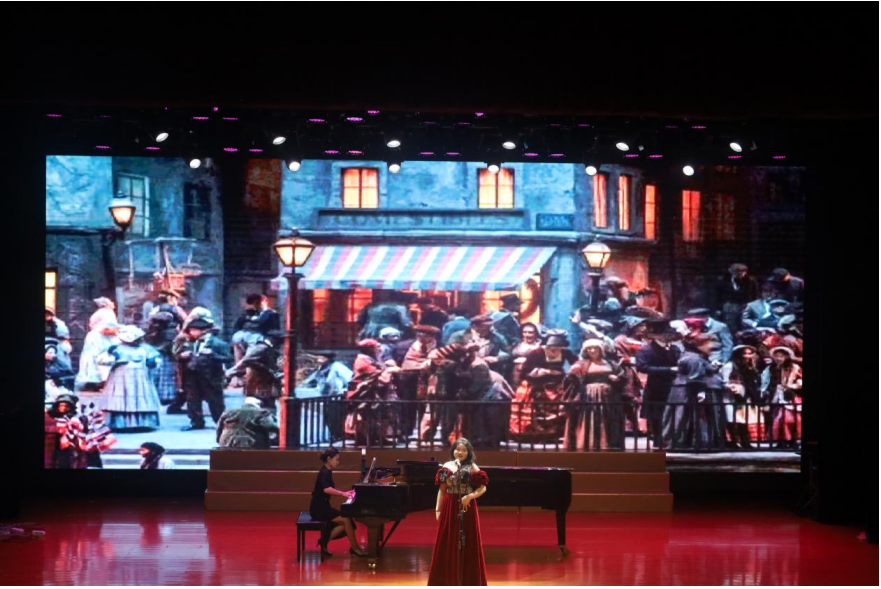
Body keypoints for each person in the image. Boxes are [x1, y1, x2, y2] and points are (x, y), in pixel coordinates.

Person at [427, 439, 489, 586]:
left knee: (468, 542)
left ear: (468, 452)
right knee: (448, 541)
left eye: (464, 450)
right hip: (450, 506)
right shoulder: (447, 466)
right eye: (457, 449)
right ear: (453, 451)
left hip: (466, 507)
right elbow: (442, 490)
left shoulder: (472, 466)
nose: (460, 452)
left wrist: (470, 497)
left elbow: (483, 487)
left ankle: (467, 582)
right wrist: (438, 509)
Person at [662, 334, 727, 450]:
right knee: (682, 416)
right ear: (700, 345)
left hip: (683, 389)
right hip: (686, 391)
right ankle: (681, 442)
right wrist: (700, 392)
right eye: (709, 344)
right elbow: (695, 378)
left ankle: (685, 441)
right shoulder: (694, 358)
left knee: (685, 416)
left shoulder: (694, 356)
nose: (712, 347)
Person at [509, 331, 578, 440]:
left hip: (558, 383)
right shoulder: (536, 353)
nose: (553, 350)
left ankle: (556, 433)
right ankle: (538, 434)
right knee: (538, 407)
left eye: (557, 348)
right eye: (550, 347)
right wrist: (541, 372)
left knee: (561, 405)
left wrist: (573, 371)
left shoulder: (566, 352)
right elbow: (524, 373)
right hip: (537, 384)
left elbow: (576, 363)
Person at [561, 339, 624, 450]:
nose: (592, 350)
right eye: (589, 348)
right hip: (588, 397)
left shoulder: (611, 363)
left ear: (601, 350)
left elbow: (623, 377)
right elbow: (570, 381)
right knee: (589, 419)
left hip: (608, 398)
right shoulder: (581, 364)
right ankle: (587, 444)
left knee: (607, 420)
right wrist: (572, 373)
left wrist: (617, 378)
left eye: (595, 348)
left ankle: (607, 444)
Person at [174, 317, 232, 431]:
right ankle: (196, 421)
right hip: (192, 375)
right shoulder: (190, 343)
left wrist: (212, 354)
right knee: (192, 399)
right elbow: (178, 355)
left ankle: (220, 422)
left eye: (194, 330)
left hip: (210, 375)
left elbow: (228, 358)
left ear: (204, 330)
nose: (191, 333)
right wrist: (182, 356)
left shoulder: (217, 343)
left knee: (215, 400)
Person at [100, 325, 162, 431]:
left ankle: (142, 422)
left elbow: (155, 360)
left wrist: (152, 363)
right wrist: (111, 356)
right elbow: (103, 361)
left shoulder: (144, 349)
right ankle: (120, 423)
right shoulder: (117, 348)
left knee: (141, 398)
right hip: (121, 378)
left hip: (141, 379)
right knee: (121, 399)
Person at [310, 448, 366, 557]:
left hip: (323, 506)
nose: (338, 462)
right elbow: (326, 489)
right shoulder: (325, 473)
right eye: (336, 459)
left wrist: (345, 493)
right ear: (329, 459)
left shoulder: (327, 471)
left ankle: (324, 541)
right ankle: (355, 548)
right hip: (319, 508)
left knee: (347, 522)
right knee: (346, 520)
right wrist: (343, 494)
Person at [635, 320, 681, 448]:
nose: (668, 336)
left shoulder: (674, 349)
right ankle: (658, 440)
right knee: (657, 415)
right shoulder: (646, 350)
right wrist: (668, 370)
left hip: (673, 386)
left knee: (673, 413)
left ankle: (673, 439)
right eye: (665, 334)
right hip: (656, 387)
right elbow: (642, 367)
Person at [346, 339, 401, 445]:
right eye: (377, 347)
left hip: (379, 392)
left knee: (381, 415)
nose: (379, 349)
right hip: (366, 393)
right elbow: (374, 374)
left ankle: (380, 437)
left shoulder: (374, 359)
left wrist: (387, 366)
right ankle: (365, 439)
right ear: (370, 349)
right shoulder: (362, 360)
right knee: (366, 416)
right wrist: (389, 370)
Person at [399, 325, 440, 440]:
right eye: (420, 335)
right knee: (408, 406)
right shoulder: (406, 346)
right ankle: (405, 432)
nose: (422, 337)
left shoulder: (438, 348)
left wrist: (431, 362)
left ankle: (425, 434)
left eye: (426, 336)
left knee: (427, 407)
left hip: (428, 381)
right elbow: (399, 362)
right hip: (409, 381)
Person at [145, 292, 185, 406]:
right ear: (171, 298)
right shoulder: (176, 309)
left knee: (158, 367)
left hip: (156, 340)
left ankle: (156, 393)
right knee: (169, 368)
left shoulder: (155, 310)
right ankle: (168, 394)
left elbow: (148, 325)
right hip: (170, 340)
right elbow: (185, 322)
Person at [224, 331, 282, 410]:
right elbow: (245, 361)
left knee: (268, 406)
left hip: (265, 385)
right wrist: (229, 373)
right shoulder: (261, 348)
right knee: (261, 408)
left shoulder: (268, 349)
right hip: (258, 385)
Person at [720, 345, 763, 449]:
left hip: (744, 396)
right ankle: (733, 442)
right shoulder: (729, 366)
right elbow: (724, 381)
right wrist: (733, 390)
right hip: (730, 396)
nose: (747, 356)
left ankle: (745, 442)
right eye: (744, 353)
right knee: (731, 419)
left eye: (749, 353)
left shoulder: (749, 368)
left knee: (743, 420)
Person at [762, 346, 802, 449]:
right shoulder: (770, 368)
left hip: (791, 396)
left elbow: (800, 380)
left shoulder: (794, 367)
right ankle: (781, 441)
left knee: (791, 420)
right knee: (778, 419)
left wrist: (793, 386)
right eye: (777, 356)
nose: (779, 358)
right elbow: (765, 383)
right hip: (776, 395)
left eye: (782, 356)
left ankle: (792, 440)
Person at [448, 314, 512, 379]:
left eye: (489, 327)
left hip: (489, 371)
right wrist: (466, 349)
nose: (488, 330)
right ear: (474, 326)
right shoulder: (458, 336)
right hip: (464, 372)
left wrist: (496, 358)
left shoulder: (496, 337)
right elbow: (449, 353)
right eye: (484, 327)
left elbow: (507, 353)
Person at [231, 294, 280, 376]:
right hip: (244, 338)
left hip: (257, 339)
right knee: (242, 357)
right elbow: (238, 326)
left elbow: (271, 328)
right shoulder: (247, 314)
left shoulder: (269, 314)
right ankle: (237, 374)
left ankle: (235, 373)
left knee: (249, 359)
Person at [75, 315, 119, 391]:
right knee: (94, 370)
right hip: (95, 356)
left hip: (108, 356)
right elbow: (94, 350)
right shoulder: (94, 335)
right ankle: (93, 384)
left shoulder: (114, 336)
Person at [717, 263, 759, 334]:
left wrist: (754, 307)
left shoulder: (751, 281)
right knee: (731, 326)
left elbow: (755, 294)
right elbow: (718, 295)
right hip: (730, 306)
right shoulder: (724, 280)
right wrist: (718, 308)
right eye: (738, 273)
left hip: (745, 305)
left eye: (743, 272)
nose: (741, 275)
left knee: (746, 325)